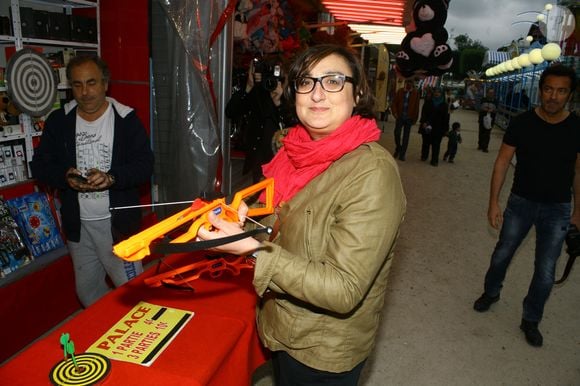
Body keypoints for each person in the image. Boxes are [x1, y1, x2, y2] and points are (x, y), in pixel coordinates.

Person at [198, 44, 406, 385]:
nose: (318, 94)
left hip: (321, 348)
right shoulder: (292, 150)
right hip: (281, 323)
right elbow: (286, 229)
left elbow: (343, 289)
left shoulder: (372, 173)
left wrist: (252, 250)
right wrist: (246, 225)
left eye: (334, 81)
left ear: (358, 94)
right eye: (306, 82)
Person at [30, 55, 154, 307]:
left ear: (105, 83)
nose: (85, 92)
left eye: (91, 83)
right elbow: (40, 165)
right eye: (77, 85)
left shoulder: (125, 119)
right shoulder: (60, 120)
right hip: (79, 227)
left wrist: (112, 178)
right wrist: (64, 177)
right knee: (87, 292)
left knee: (134, 296)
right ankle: (108, 337)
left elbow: (145, 165)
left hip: (117, 227)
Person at [473, 64, 579, 347]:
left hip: (557, 208)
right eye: (548, 89)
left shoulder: (577, 128)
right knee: (501, 254)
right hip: (521, 203)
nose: (553, 96)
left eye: (561, 91)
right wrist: (493, 202)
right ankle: (491, 291)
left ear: (569, 94)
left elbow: (579, 173)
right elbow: (502, 162)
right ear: (541, 90)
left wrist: (578, 213)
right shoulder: (522, 123)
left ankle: (531, 318)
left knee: (545, 271)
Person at [226, 59, 294, 183]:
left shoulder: (294, 99)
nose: (276, 82)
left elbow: (292, 127)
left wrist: (279, 102)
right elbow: (231, 111)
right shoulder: (259, 91)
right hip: (259, 159)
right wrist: (249, 86)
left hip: (284, 161)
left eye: (282, 78)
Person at [419, 87, 450, 166]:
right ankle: (424, 156)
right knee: (426, 142)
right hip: (427, 125)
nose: (437, 94)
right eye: (435, 92)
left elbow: (446, 118)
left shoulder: (444, 105)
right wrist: (423, 122)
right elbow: (424, 113)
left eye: (438, 92)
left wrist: (446, 129)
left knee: (436, 144)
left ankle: (434, 160)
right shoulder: (428, 102)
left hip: (438, 127)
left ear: (441, 94)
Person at [391, 78, 420, 161]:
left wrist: (415, 118)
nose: (408, 84)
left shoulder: (415, 93)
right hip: (400, 117)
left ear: (413, 84)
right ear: (405, 83)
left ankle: (402, 154)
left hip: (409, 118)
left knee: (406, 137)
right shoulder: (400, 91)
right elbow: (394, 103)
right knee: (397, 133)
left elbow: (416, 106)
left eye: (410, 82)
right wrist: (395, 113)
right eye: (407, 82)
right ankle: (398, 148)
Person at [477, 88, 497, 152]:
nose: (491, 94)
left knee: (487, 133)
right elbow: (479, 107)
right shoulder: (483, 99)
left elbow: (497, 109)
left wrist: (492, 110)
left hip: (490, 119)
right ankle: (480, 145)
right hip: (482, 118)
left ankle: (485, 147)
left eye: (492, 93)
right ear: (487, 93)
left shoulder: (495, 101)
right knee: (481, 132)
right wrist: (484, 109)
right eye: (490, 93)